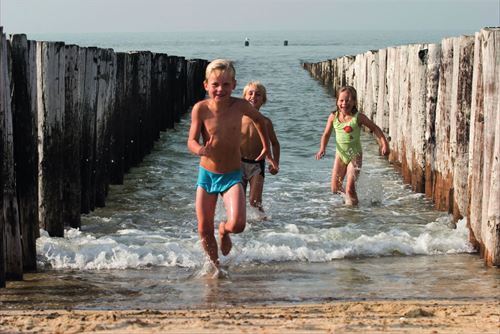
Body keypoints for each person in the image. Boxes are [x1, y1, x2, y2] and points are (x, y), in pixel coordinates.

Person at [187, 59, 278, 269]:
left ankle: (224, 231)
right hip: (207, 175)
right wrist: (200, 149)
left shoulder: (240, 106)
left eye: (226, 85)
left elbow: (260, 120)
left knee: (237, 224)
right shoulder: (200, 109)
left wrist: (266, 146)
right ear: (206, 85)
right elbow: (191, 140)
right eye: (215, 84)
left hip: (231, 175)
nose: (220, 89)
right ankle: (215, 267)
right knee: (203, 228)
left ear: (234, 85)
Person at [315, 85, 389, 206]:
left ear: (354, 102)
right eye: (341, 100)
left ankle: (354, 215)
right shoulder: (333, 116)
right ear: (337, 101)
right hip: (340, 155)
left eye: (348, 100)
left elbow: (375, 128)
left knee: (350, 188)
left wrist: (384, 143)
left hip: (355, 155)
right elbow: (326, 134)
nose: (344, 103)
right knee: (335, 188)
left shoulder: (358, 117)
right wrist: (322, 148)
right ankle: (349, 202)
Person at [240, 81, 280, 212]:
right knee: (238, 200)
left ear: (263, 100)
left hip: (257, 165)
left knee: (254, 201)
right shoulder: (237, 119)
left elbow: (274, 143)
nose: (253, 96)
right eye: (250, 93)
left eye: (258, 94)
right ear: (244, 97)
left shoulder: (266, 122)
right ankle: (240, 225)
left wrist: (275, 163)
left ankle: (263, 224)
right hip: (238, 163)